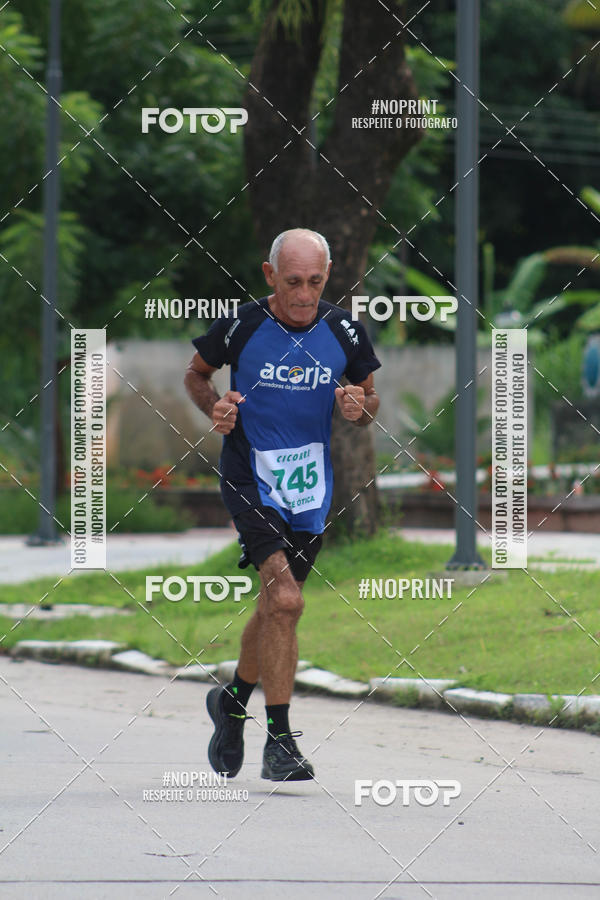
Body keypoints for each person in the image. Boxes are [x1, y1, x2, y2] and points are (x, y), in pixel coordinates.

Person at [184, 228, 380, 781]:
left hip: (310, 486)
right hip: (251, 476)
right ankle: (280, 741)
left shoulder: (343, 330)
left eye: (315, 282)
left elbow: (369, 401)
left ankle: (231, 702)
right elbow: (196, 376)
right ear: (270, 276)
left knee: (276, 608)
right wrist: (215, 407)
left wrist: (357, 406)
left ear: (328, 275)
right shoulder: (243, 326)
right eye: (293, 282)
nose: (304, 294)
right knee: (287, 599)